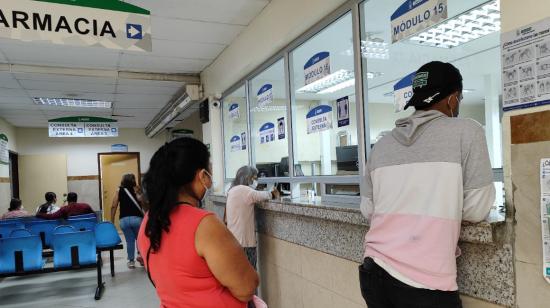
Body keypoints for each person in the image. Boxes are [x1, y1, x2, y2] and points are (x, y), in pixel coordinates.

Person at [359, 61, 495, 308]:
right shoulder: (467, 131)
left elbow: (369, 210)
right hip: (423, 284)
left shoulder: (381, 145)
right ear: (453, 99)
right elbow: (477, 210)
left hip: (373, 273)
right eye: (460, 99)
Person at [137, 137, 258, 308]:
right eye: (209, 169)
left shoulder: (149, 221)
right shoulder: (204, 225)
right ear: (202, 176)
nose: (211, 176)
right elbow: (246, 287)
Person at [226, 165, 279, 269]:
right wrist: (273, 193)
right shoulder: (245, 191)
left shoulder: (232, 190)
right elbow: (263, 195)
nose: (256, 181)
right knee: (249, 275)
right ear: (247, 178)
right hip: (244, 243)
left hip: (233, 241)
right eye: (254, 178)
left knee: (238, 275)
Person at [111, 173, 145, 269]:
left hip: (124, 220)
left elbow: (114, 205)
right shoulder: (137, 189)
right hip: (137, 219)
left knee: (129, 241)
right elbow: (144, 202)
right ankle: (141, 257)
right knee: (140, 239)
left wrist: (112, 220)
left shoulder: (119, 190)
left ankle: (131, 261)